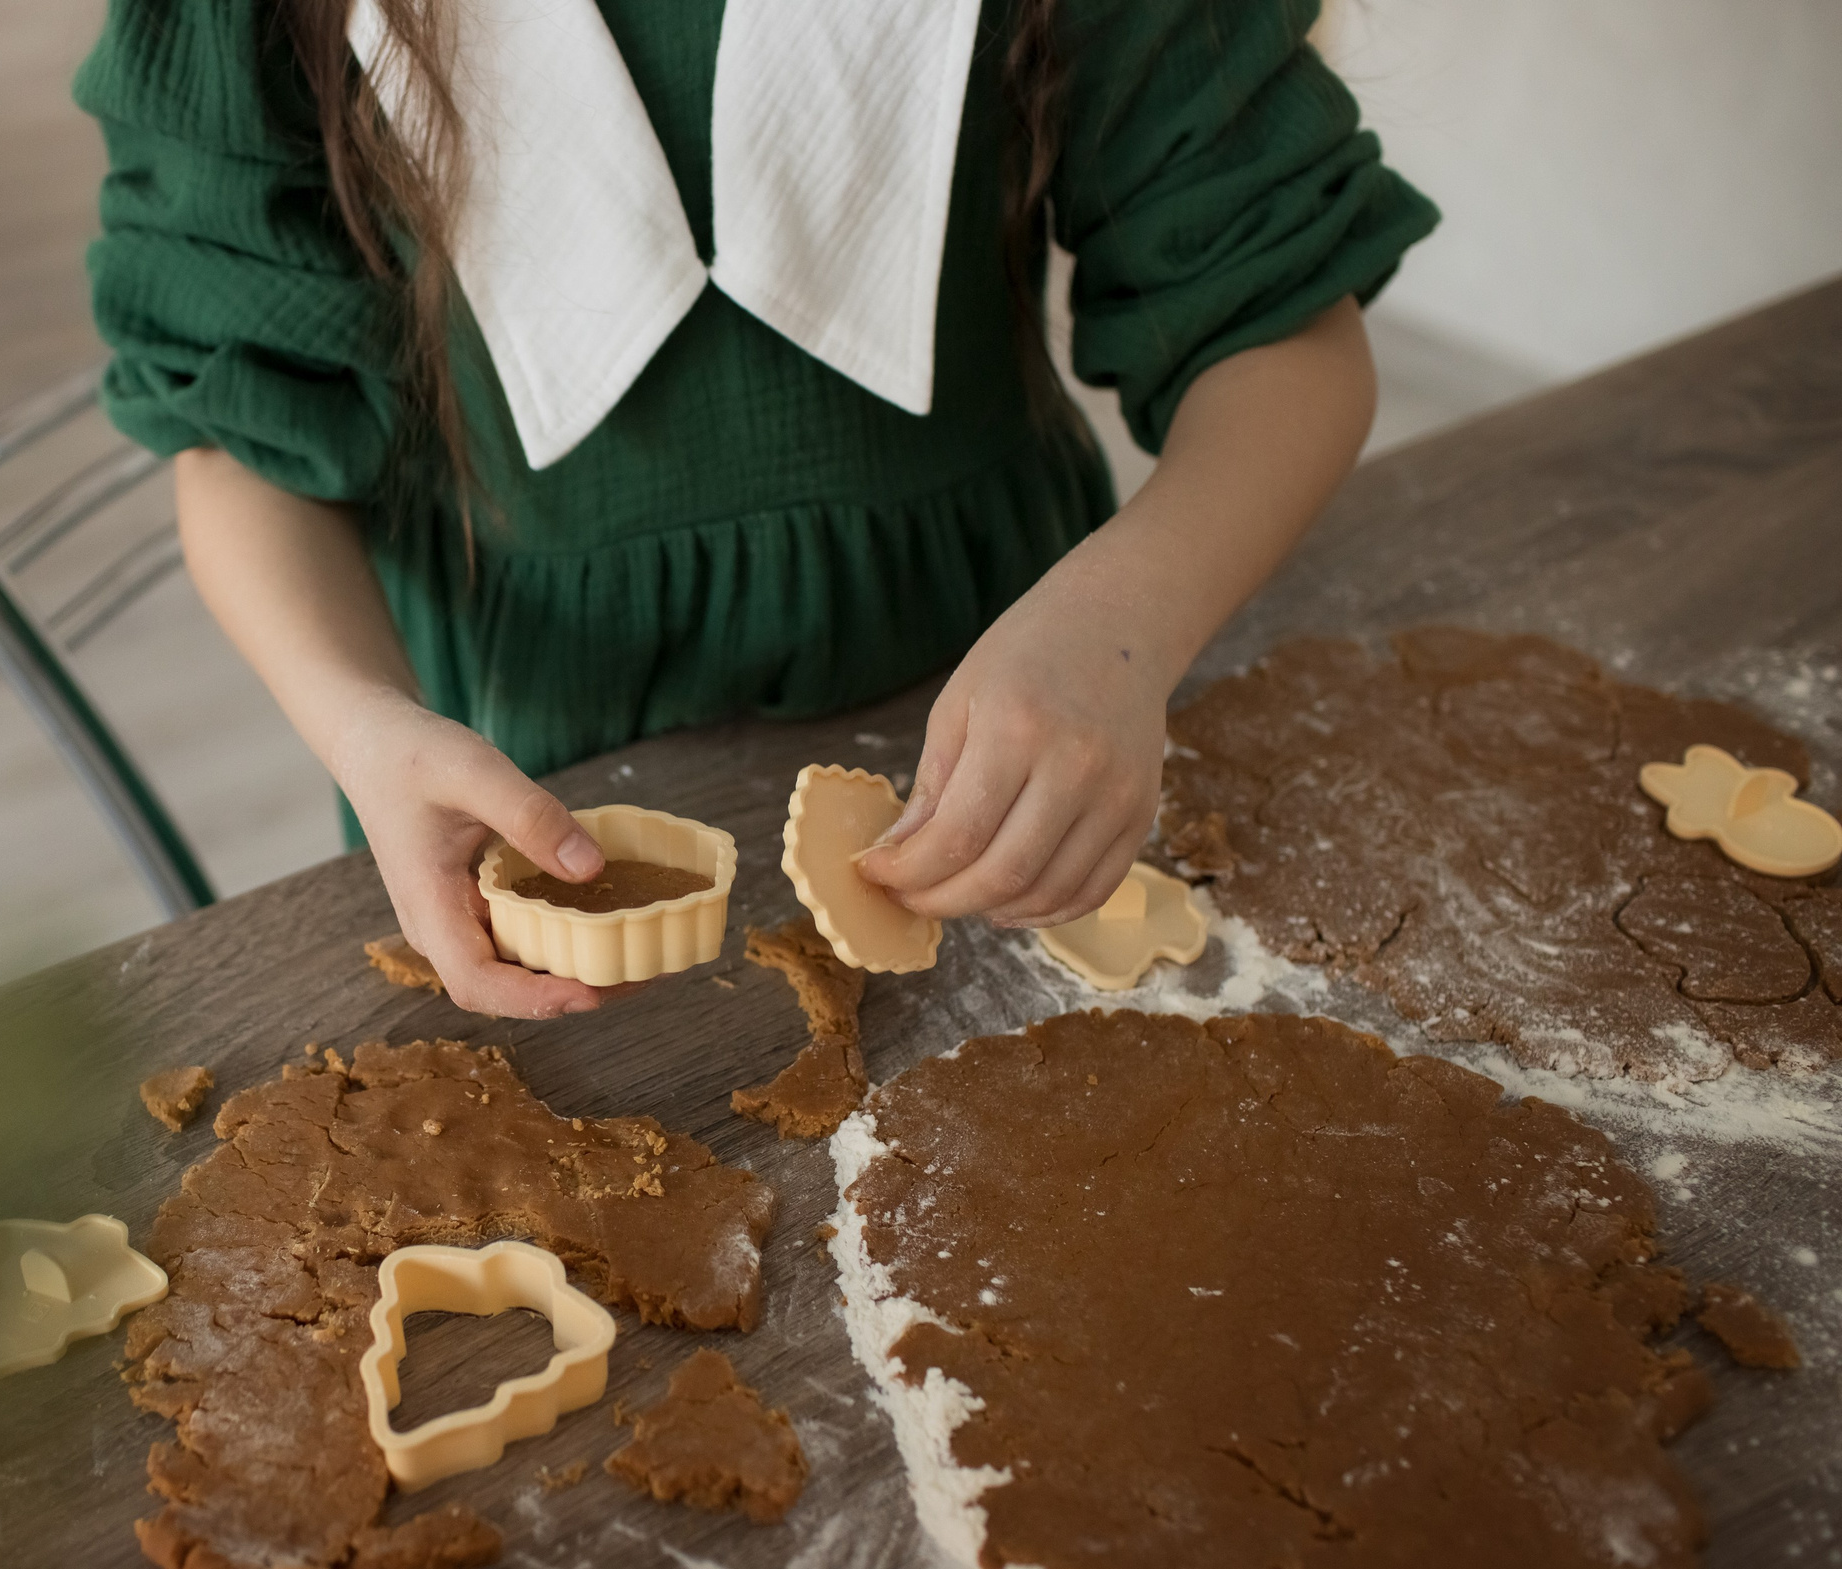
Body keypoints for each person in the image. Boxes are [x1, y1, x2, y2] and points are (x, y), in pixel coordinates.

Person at [76, 0, 1436, 1018]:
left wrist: (1126, 626)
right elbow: (238, 442)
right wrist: (362, 726)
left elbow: (1287, 335)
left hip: (1023, 719)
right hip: (519, 765)